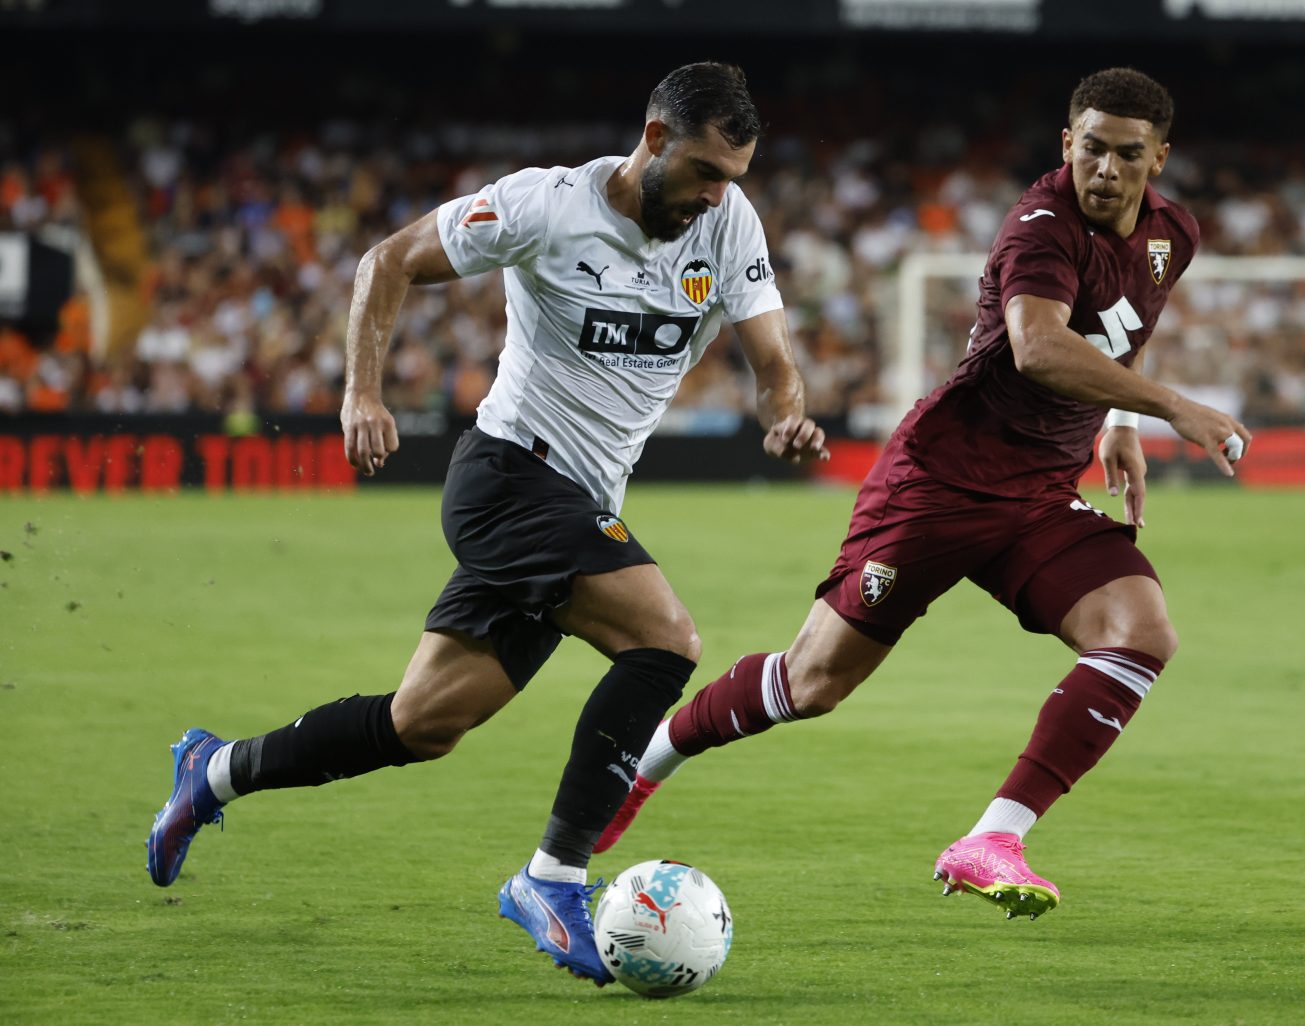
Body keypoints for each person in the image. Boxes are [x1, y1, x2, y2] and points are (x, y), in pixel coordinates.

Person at [144, 62, 827, 985]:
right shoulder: (545, 206)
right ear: (655, 138)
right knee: (665, 642)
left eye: (732, 178)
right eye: (705, 171)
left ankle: (215, 771)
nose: (716, 195)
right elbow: (387, 260)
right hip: (508, 477)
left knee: (421, 723)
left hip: (578, 505)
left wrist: (786, 413)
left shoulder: (728, 223)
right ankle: (554, 877)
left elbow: (774, 361)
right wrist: (362, 392)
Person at [595, 67, 1253, 922]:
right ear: (1067, 144)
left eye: (1128, 154)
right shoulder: (1041, 228)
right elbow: (1038, 347)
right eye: (1091, 147)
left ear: (1158, 158)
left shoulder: (1173, 234)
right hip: (941, 481)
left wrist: (1119, 424)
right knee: (813, 682)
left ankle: (993, 839)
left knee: (1140, 632)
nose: (1105, 168)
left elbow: (1123, 325)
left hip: (1039, 494)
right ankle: (645, 763)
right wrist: (1170, 407)